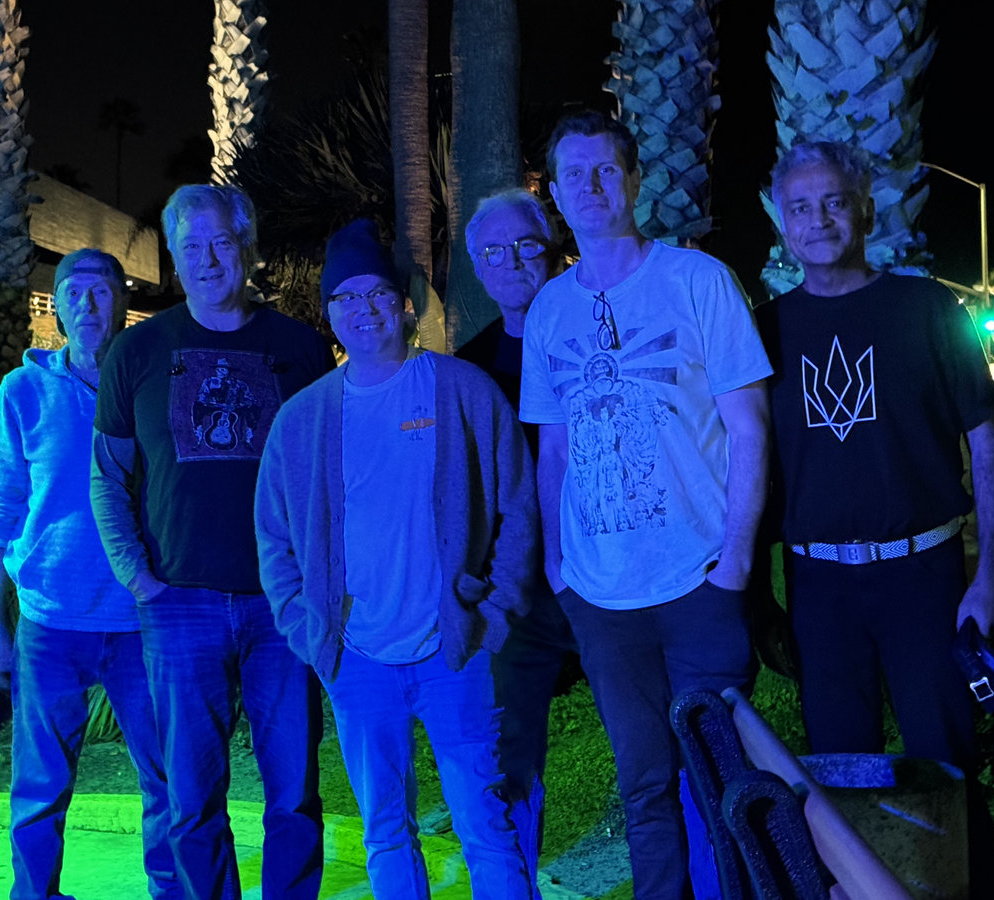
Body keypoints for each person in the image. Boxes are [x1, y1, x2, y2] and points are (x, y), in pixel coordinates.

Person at [519, 111, 772, 899]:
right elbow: (554, 451)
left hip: (699, 578)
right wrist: (560, 568)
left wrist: (735, 563)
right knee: (644, 787)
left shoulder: (698, 281)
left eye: (605, 169)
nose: (591, 186)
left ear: (633, 179)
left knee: (724, 782)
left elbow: (749, 425)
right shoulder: (549, 311)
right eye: (574, 174)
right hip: (602, 596)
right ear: (556, 193)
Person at [255, 219, 539, 899]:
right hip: (358, 661)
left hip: (455, 652)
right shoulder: (303, 419)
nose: (365, 309)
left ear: (404, 304)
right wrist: (308, 629)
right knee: (385, 831)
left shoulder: (462, 390)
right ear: (330, 314)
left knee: (484, 825)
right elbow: (274, 536)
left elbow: (519, 506)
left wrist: (494, 614)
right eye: (347, 297)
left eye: (378, 293)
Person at [757, 140, 994, 889]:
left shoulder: (927, 308)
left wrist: (989, 576)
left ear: (863, 209)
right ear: (782, 222)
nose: (818, 219)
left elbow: (987, 443)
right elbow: (748, 464)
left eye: (834, 201)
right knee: (836, 774)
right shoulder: (764, 330)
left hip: (924, 576)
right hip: (819, 588)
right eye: (800, 207)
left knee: (946, 761)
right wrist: (759, 595)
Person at [91, 185, 331, 900]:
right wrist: (137, 577)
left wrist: (318, 583)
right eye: (191, 246)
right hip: (179, 604)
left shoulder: (299, 348)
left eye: (222, 242)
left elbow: (330, 474)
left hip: (280, 606)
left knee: (293, 792)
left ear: (245, 248)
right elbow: (107, 476)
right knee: (192, 798)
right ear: (173, 255)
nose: (208, 259)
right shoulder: (136, 351)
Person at [0, 248, 179, 900]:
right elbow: (0, 509)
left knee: (169, 781)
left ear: (123, 303)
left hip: (140, 620)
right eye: (73, 292)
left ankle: (174, 890)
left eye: (101, 291)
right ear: (56, 307)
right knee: (39, 787)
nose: (87, 304)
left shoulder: (151, 386)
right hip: (50, 623)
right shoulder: (23, 392)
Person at [456, 189, 578, 896]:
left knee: (650, 756)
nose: (511, 262)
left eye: (526, 245)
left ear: (552, 250)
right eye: (492, 252)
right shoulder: (468, 370)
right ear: (477, 265)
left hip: (602, 583)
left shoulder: (596, 340)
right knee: (510, 765)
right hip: (516, 599)